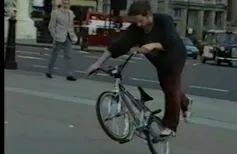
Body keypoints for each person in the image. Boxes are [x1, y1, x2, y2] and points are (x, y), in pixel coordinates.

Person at [86, 0, 192, 136]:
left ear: (148, 14)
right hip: (159, 61)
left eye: (141, 21)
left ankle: (170, 126)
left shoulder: (163, 20)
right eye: (136, 22)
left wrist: (153, 45)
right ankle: (185, 102)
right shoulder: (136, 28)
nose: (139, 25)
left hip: (174, 56)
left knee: (171, 90)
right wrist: (98, 63)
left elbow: (172, 41)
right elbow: (119, 45)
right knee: (168, 87)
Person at [47, 0, 77, 81]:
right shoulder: (55, 12)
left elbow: (71, 25)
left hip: (68, 36)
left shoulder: (70, 13)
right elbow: (51, 26)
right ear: (61, 3)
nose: (65, 5)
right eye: (64, 3)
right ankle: (49, 71)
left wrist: (72, 34)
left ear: (69, 4)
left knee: (68, 56)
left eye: (67, 3)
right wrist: (54, 36)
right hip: (59, 37)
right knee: (55, 55)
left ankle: (70, 74)